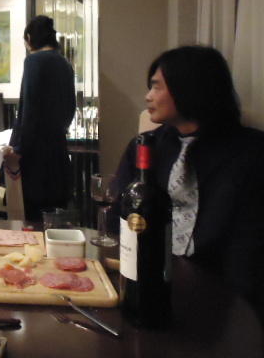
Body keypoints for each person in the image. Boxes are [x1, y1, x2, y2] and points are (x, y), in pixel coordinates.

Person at [113, 45, 264, 323]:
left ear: (189, 87)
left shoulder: (250, 154)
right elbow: (118, 215)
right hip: (148, 285)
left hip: (222, 299)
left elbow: (248, 249)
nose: (148, 96)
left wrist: (243, 317)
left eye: (156, 86)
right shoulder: (146, 147)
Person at [4, 15, 76, 222]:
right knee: (53, 218)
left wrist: (19, 148)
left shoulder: (34, 61)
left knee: (31, 217)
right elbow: (70, 108)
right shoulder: (64, 63)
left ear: (29, 38)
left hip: (35, 154)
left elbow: (30, 110)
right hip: (58, 149)